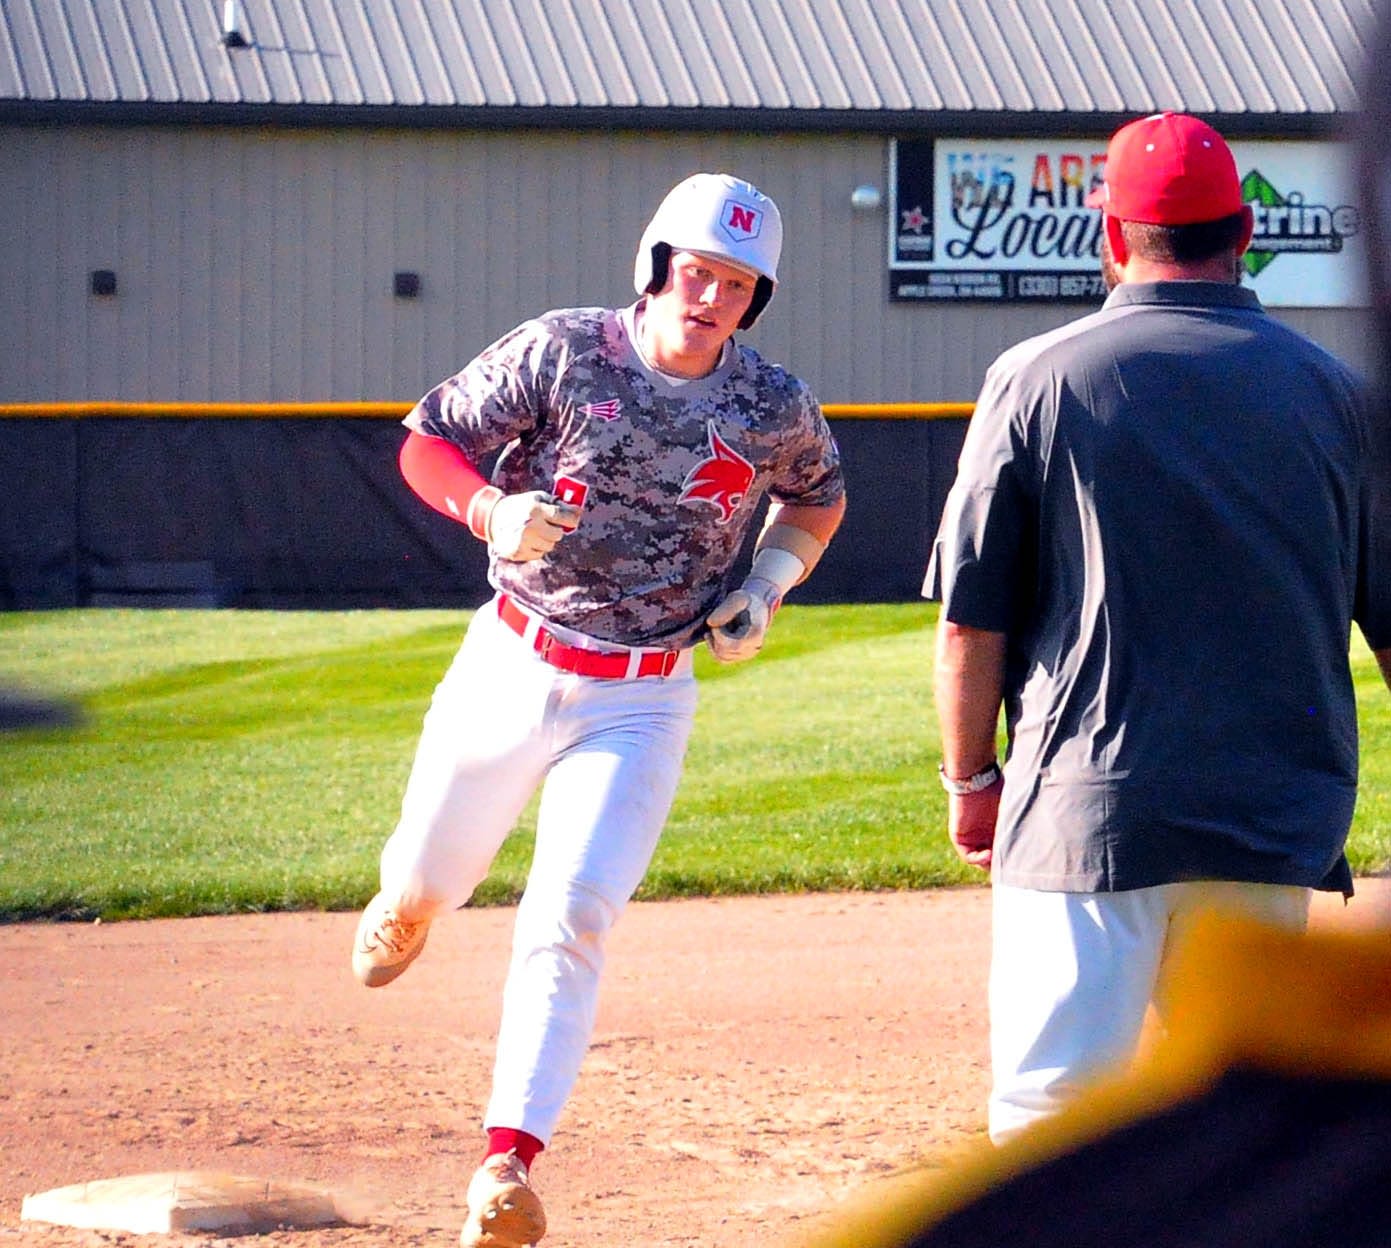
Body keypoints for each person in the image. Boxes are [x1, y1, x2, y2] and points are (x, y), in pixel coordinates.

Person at [351, 172, 845, 1246]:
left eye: (737, 283)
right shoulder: (564, 350)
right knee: (433, 874)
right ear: (657, 264)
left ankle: (505, 1164)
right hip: (514, 661)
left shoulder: (768, 404)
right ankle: (410, 901)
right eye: (697, 271)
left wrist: (767, 582)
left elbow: (816, 494)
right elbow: (424, 438)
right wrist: (484, 504)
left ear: (756, 299)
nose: (710, 297)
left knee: (570, 918)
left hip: (644, 697)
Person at [924, 111, 1391, 1145]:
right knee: (1235, 1133)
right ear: (1243, 234)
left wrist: (970, 783)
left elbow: (970, 624)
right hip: (1270, 821)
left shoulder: (1037, 377)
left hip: (1089, 819)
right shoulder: (1338, 397)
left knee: (1052, 1124)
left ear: (1111, 237)